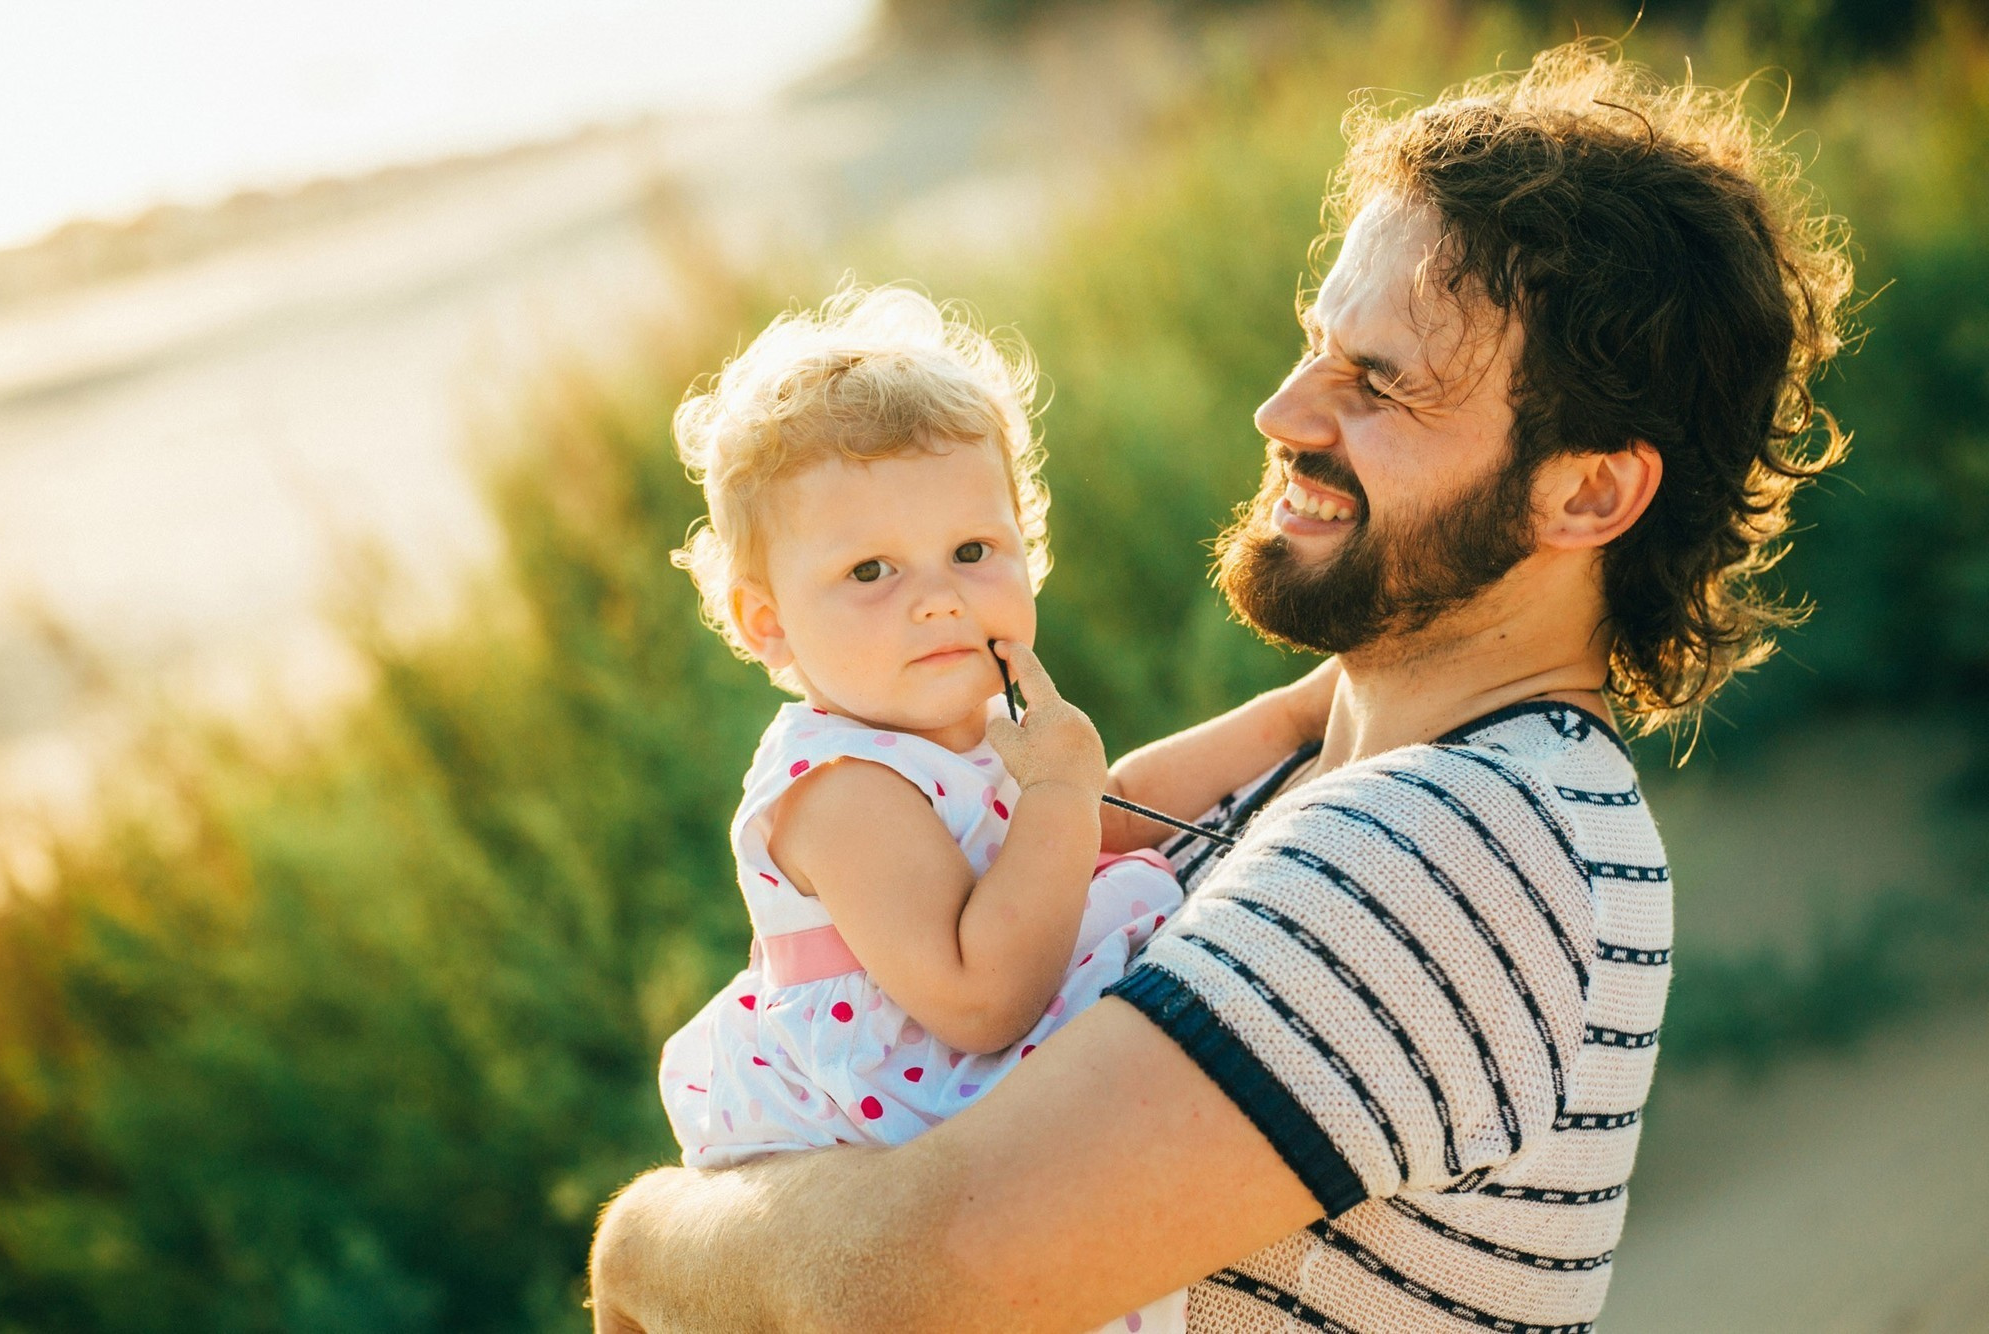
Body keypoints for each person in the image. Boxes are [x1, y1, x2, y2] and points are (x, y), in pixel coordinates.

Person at [590, 41, 1853, 1332]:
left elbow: (910, 1285)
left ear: (1587, 489)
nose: (1281, 408)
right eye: (1319, 346)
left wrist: (639, 1244)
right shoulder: (1379, 781)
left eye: (1380, 383)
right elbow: (1101, 820)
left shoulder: (1460, 849)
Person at [655, 284, 1339, 1333]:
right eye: (869, 570)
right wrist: (1059, 789)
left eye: (971, 551)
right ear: (768, 622)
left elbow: (1094, 827)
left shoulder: (960, 724)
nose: (936, 596)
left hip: (981, 1084)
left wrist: (1287, 715)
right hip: (918, 1127)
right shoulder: (839, 785)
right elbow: (980, 997)